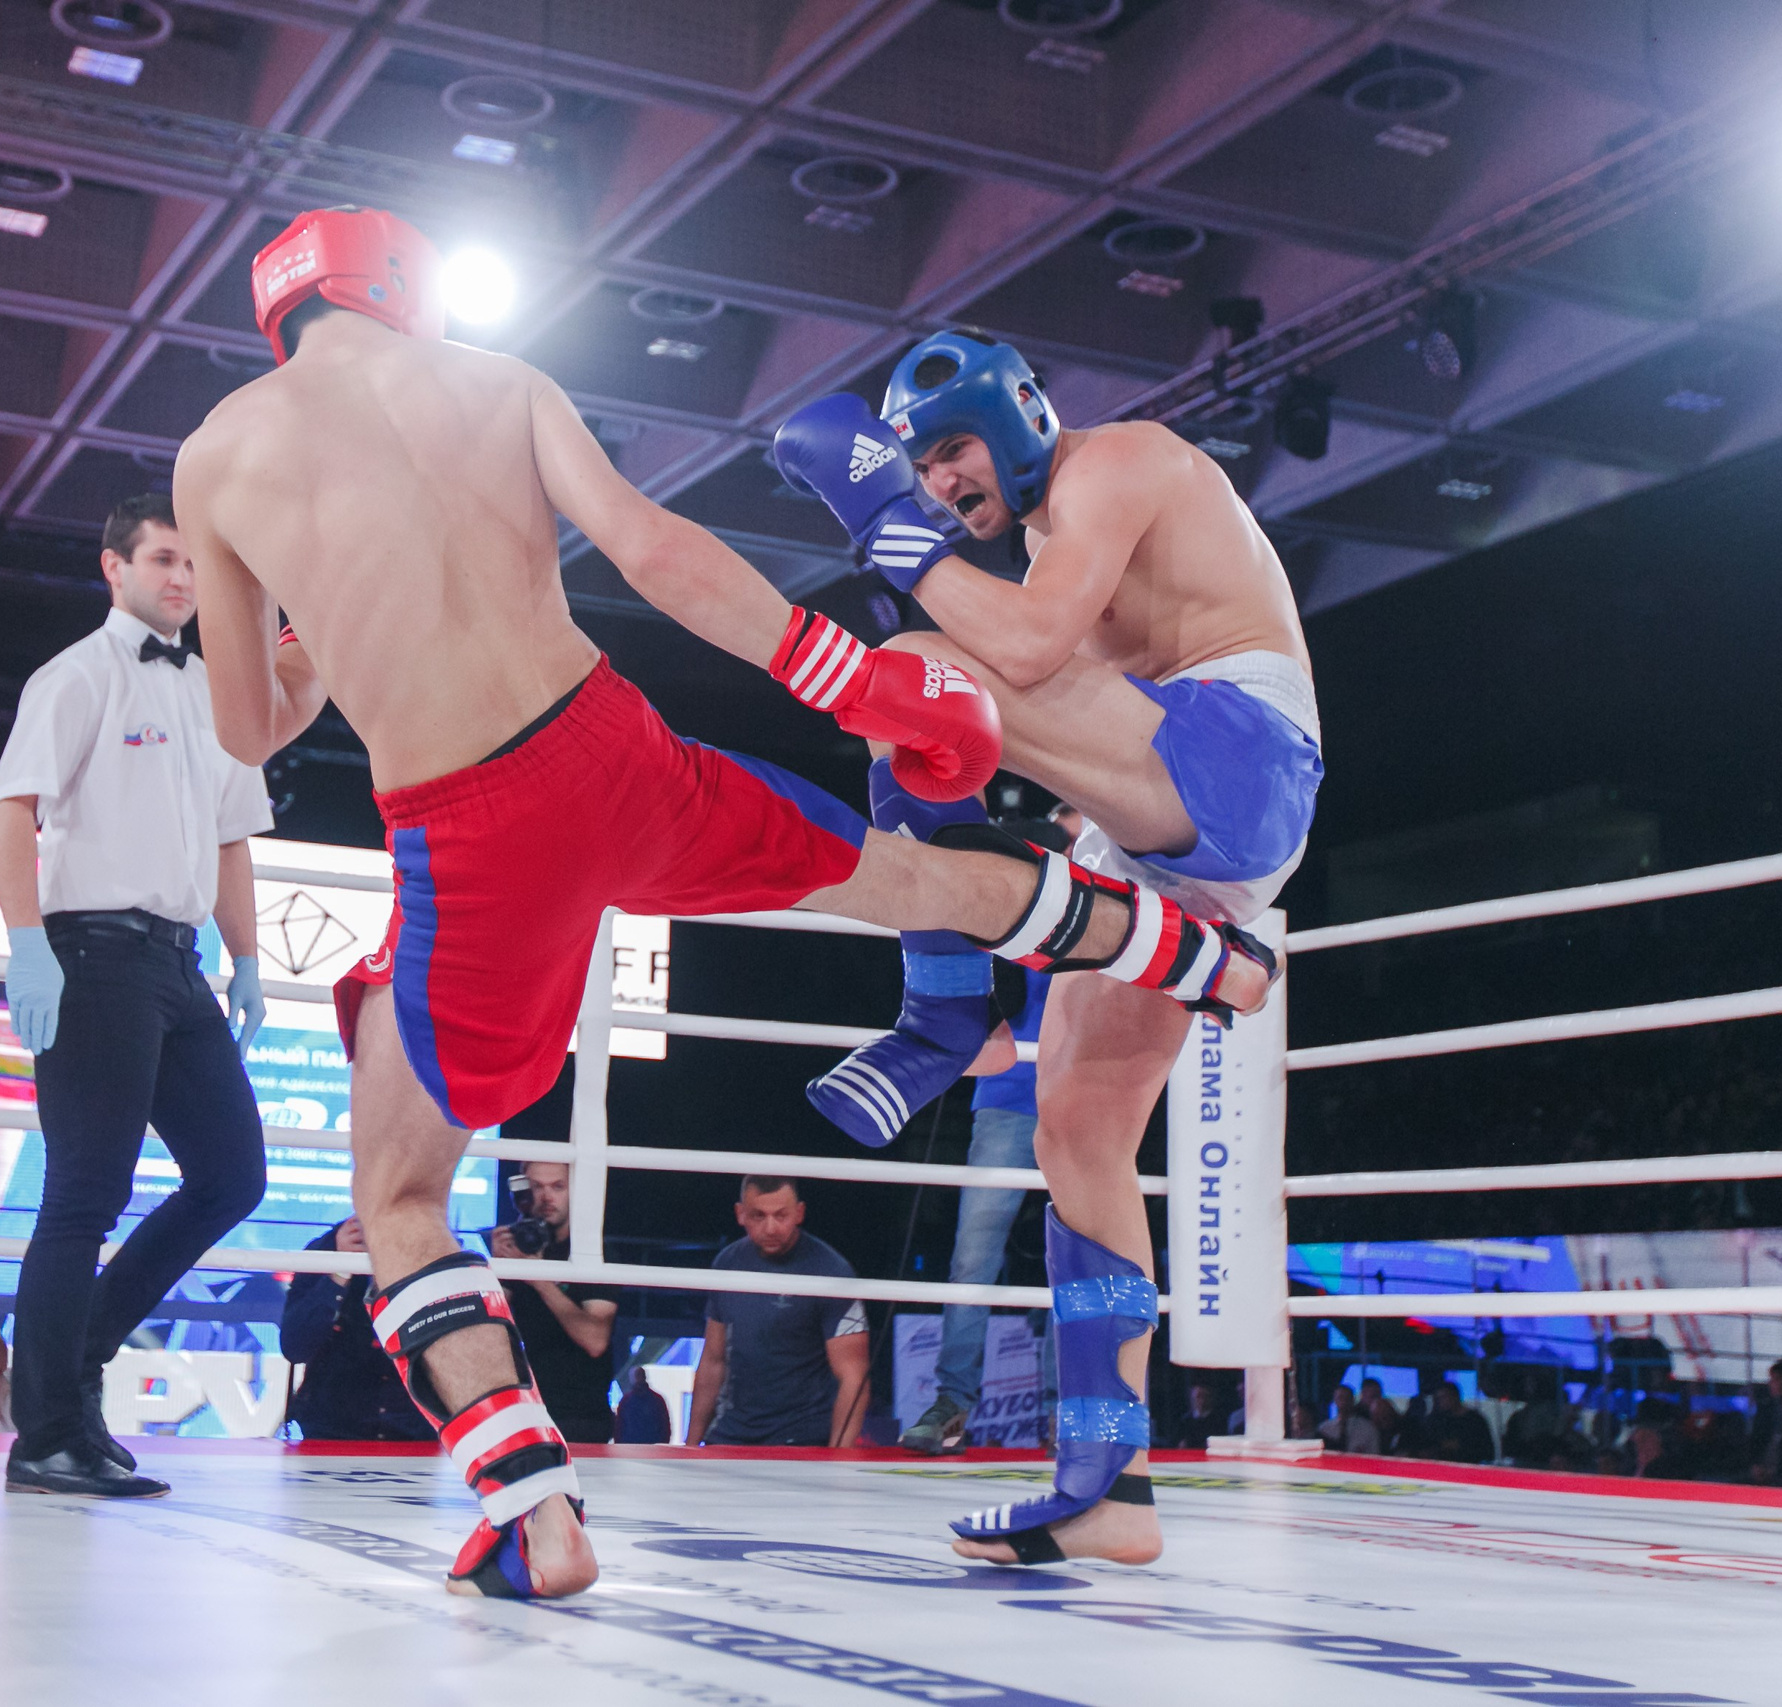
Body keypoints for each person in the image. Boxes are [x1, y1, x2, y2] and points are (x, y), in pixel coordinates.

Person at [169, 207, 1277, 1600]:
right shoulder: (498, 382)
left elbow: (248, 730)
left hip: (469, 825)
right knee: (898, 875)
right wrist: (852, 680)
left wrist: (312, 630)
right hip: (615, 748)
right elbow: (652, 550)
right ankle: (1196, 950)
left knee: (397, 1195)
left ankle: (536, 1513)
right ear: (397, 285)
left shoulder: (215, 456)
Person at [772, 334, 1316, 1566]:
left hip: (1236, 756)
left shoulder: (1117, 463)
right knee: (1077, 1127)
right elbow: (1055, 706)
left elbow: (1015, 657)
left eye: (950, 449)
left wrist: (867, 511)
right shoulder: (1038, 545)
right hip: (1165, 831)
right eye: (913, 468)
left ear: (1016, 417)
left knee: (909, 669)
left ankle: (944, 1008)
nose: (939, 482)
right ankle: (1108, 1485)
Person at [0, 490, 274, 1500]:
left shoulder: (214, 692)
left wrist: (247, 960)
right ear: (115, 568)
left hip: (180, 963)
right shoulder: (76, 676)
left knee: (234, 1175)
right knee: (84, 1195)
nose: (183, 579)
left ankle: (81, 1355)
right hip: (93, 954)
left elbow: (233, 836)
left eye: (194, 564)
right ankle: (46, 1435)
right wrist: (28, 947)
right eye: (162, 559)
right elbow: (10, 809)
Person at [899, 817, 1075, 1456]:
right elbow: (969, 1035)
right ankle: (953, 1403)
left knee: (1075, 1257)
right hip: (1005, 1104)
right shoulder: (992, 921)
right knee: (974, 1256)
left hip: (1081, 1103)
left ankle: (1067, 1411)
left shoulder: (1102, 912)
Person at [687, 1177, 870, 1449]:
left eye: (780, 1215)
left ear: (799, 1213)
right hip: (731, 1435)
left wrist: (838, 1458)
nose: (770, 1228)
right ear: (740, 1214)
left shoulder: (831, 1271)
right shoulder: (727, 1263)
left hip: (802, 1438)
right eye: (758, 1216)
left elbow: (854, 1374)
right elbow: (713, 1362)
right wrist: (689, 1446)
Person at [488, 1162, 618, 1443]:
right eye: (537, 1187)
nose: (546, 1198)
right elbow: (490, 1335)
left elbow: (595, 1340)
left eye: (557, 1187)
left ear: (575, 1191)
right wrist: (497, 1271)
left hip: (580, 1418)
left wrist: (539, 1279)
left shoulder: (593, 1252)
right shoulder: (517, 1248)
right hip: (518, 1413)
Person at [281, 1216, 434, 1442]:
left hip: (416, 1435)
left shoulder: (437, 1253)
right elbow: (294, 1347)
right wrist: (340, 1272)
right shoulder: (328, 1248)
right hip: (331, 1432)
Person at [614, 1367, 674, 1445]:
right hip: (653, 1451)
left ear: (632, 1379)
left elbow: (619, 1429)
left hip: (629, 1451)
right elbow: (665, 1429)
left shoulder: (626, 1401)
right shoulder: (658, 1400)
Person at [1317, 1385, 1380, 1455]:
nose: (1344, 1401)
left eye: (1347, 1398)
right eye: (1340, 1397)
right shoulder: (1324, 1428)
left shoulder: (1368, 1428)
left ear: (1353, 1400)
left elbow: (1374, 1454)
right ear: (1334, 1400)